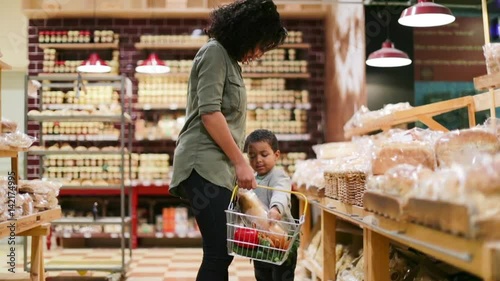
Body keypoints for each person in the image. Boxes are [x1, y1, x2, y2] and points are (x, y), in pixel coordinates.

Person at [169, 1, 287, 280]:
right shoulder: (214, 53)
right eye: (260, 44)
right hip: (203, 166)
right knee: (219, 252)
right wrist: (240, 162)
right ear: (247, 32)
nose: (259, 53)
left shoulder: (229, 61)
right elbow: (210, 114)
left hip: (216, 170)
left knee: (222, 251)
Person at [244, 129, 298, 281]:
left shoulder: (279, 175)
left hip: (283, 242)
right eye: (252, 156)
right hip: (261, 242)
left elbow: (281, 191)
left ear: (276, 155)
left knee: (281, 276)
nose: (258, 160)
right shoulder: (252, 179)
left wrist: (276, 208)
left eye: (264, 154)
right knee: (261, 275)